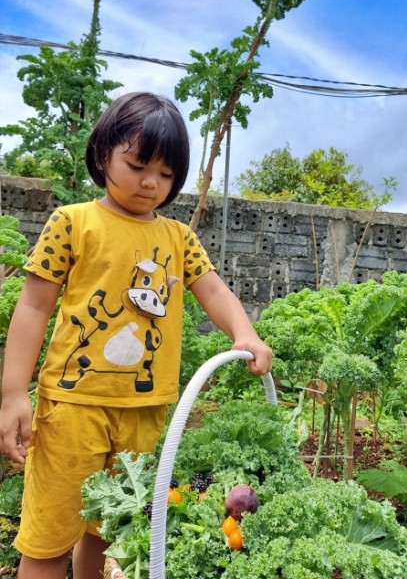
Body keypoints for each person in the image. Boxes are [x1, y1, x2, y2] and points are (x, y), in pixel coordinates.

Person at [0, 92, 273, 579]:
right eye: (137, 164)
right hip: (73, 406)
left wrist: (244, 332)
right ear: (103, 154)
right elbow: (33, 305)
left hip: (146, 409)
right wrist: (13, 393)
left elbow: (211, 289)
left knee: (109, 527)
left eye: (166, 174)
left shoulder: (178, 238)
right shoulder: (73, 223)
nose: (151, 182)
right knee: (48, 537)